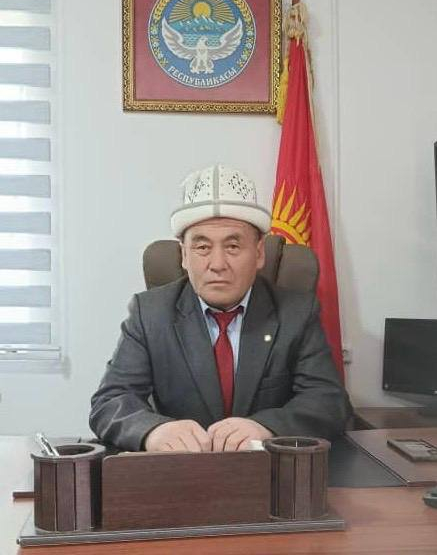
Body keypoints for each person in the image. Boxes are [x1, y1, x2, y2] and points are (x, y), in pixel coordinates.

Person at [90, 165, 351, 452]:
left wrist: (267, 427)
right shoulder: (150, 314)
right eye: (202, 248)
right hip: (180, 469)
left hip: (267, 469)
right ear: (184, 255)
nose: (217, 264)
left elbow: (329, 402)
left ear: (259, 253)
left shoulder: (296, 313)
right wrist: (153, 431)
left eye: (233, 247)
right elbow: (110, 402)